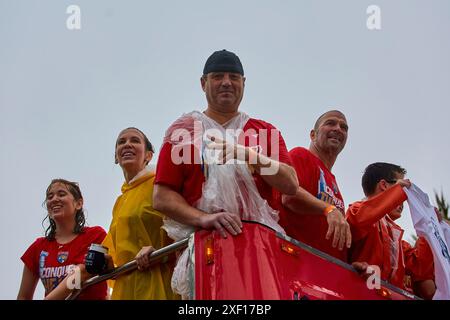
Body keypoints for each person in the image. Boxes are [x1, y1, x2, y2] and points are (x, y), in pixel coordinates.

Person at [153, 49, 298, 297]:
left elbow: (290, 183)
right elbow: (162, 196)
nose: (226, 83)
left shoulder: (264, 131)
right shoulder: (183, 132)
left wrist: (247, 154)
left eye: (233, 76)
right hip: (205, 252)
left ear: (244, 83)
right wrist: (202, 218)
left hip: (260, 252)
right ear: (203, 83)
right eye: (218, 76)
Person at [100, 127, 179, 300]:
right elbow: (116, 252)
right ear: (116, 157)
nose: (127, 145)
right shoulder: (120, 201)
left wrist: (160, 253)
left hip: (159, 284)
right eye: (121, 142)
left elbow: (186, 232)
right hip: (125, 290)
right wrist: (108, 264)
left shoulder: (160, 185)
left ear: (148, 155)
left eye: (134, 140)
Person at [346, 162, 435, 297]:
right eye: (404, 190)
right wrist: (397, 193)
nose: (405, 199)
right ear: (384, 185)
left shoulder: (396, 235)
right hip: (358, 294)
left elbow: (419, 266)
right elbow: (360, 220)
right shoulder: (357, 209)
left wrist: (430, 227)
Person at [17, 179, 108, 300]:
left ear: (78, 204)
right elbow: (23, 296)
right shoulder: (38, 247)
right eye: (50, 197)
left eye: (61, 194)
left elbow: (83, 273)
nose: (54, 199)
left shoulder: (95, 235)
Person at [281, 110, 351, 261]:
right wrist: (328, 209)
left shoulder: (334, 184)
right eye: (330, 123)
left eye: (343, 127)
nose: (338, 128)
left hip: (326, 272)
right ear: (313, 135)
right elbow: (289, 195)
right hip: (295, 262)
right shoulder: (300, 155)